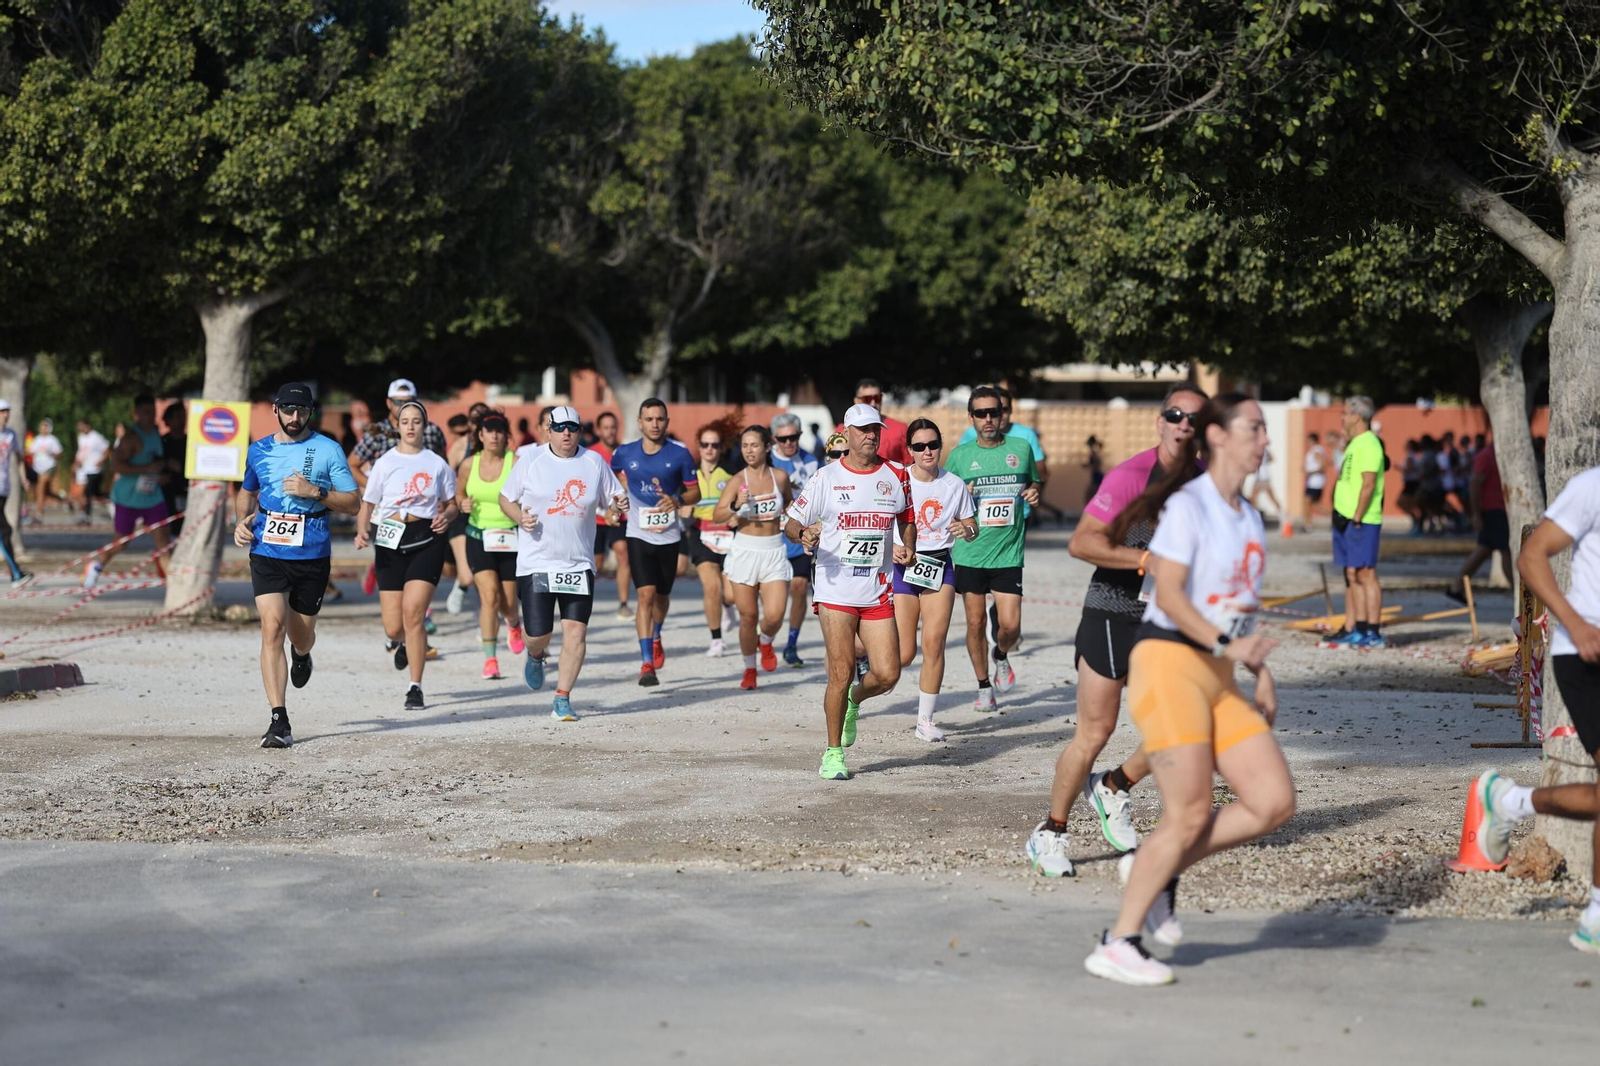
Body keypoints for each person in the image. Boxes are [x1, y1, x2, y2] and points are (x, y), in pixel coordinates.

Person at [1084, 393, 1290, 986]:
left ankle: (1158, 867)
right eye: (1254, 428)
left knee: (1274, 801)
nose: (1264, 440)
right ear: (1218, 436)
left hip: (1219, 671)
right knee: (1191, 809)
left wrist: (1261, 670)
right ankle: (1118, 942)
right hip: (1169, 664)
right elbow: (1169, 593)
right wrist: (1229, 648)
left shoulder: (1248, 515)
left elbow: (1236, 606)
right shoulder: (1190, 507)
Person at [1027, 385, 1208, 877]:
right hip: (1113, 610)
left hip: (1166, 619)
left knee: (1183, 726)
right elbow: (1081, 541)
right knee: (1095, 731)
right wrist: (1145, 559)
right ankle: (1051, 832)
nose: (1183, 424)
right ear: (1160, 421)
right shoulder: (1132, 475)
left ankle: (1113, 787)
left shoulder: (1205, 482)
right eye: (1175, 415)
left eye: (1194, 417)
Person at [1471, 464, 1600, 953]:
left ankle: (1508, 802)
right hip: (1585, 651)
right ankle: (1596, 920)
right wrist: (1575, 623)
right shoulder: (1592, 487)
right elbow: (1531, 555)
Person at [786, 404, 914, 780]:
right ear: (847, 434)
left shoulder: (896, 475)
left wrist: (908, 546)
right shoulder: (827, 477)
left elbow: (907, 518)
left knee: (889, 673)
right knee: (840, 671)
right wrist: (804, 534)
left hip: (876, 589)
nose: (871, 435)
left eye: (875, 429)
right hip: (835, 588)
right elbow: (792, 523)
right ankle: (833, 753)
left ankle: (856, 701)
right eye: (862, 430)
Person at [232, 383, 361, 748]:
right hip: (267, 549)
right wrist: (240, 522)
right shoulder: (259, 450)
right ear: (276, 410)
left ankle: (302, 653)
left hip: (312, 552)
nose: (295, 417)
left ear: (310, 412)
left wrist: (314, 492)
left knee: (298, 634)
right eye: (288, 410)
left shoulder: (327, 449)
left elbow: (353, 503)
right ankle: (279, 721)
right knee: (272, 628)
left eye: (302, 411)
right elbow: (247, 491)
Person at [499, 405, 627, 720]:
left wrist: (615, 510)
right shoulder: (530, 459)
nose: (566, 433)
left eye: (572, 427)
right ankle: (535, 653)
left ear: (580, 431)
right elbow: (505, 498)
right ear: (549, 430)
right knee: (538, 633)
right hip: (537, 563)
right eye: (560, 427)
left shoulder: (594, 461)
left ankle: (562, 697)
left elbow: (611, 506)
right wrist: (519, 517)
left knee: (576, 634)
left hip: (578, 564)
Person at [353, 400, 458, 710]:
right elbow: (368, 504)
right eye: (406, 421)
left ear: (424, 427)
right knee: (393, 626)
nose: (411, 426)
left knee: (414, 614)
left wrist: (447, 517)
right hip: (388, 542)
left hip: (427, 539)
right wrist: (362, 531)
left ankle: (415, 686)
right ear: (396, 426)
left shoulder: (437, 463)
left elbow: (452, 502)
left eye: (417, 421)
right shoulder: (384, 462)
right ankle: (398, 644)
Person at [945, 385, 1042, 709]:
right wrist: (962, 498)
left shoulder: (1021, 448)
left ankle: (1001, 653)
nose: (988, 419)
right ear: (971, 417)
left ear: (1003, 414)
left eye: (994, 412)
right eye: (981, 413)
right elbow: (944, 503)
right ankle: (983, 685)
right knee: (975, 623)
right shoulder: (960, 457)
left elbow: (1033, 482)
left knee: (1010, 627)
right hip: (971, 551)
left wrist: (1033, 493)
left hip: (1008, 551)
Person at [893, 418, 977, 741]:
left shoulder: (953, 484)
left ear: (941, 445)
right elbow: (882, 521)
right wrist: (893, 550)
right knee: (903, 654)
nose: (928, 452)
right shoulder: (898, 481)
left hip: (940, 565)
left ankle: (924, 721)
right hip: (905, 567)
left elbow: (972, 527)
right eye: (919, 446)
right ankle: (861, 670)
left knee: (934, 643)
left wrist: (965, 530)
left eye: (933, 445)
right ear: (910, 450)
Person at [611, 398, 701, 686]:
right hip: (638, 534)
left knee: (662, 597)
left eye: (659, 419)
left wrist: (676, 500)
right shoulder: (624, 453)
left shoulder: (680, 455)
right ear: (639, 423)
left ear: (666, 422)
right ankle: (646, 662)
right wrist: (617, 500)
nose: (654, 424)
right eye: (649, 419)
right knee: (645, 596)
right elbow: (612, 480)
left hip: (669, 536)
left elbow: (695, 493)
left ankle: (657, 633)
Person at [349, 379, 448, 640]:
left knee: (416, 586)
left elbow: (440, 468)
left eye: (408, 400)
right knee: (393, 577)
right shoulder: (376, 432)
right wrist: (374, 489)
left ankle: (418, 617)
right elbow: (353, 465)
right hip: (385, 516)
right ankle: (400, 630)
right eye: (397, 402)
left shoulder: (433, 432)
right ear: (388, 403)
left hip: (421, 516)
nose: (402, 405)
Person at [714, 426, 795, 689]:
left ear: (767, 447)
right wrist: (736, 505)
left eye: (754, 445)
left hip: (773, 549)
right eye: (745, 446)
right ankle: (750, 668)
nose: (749, 451)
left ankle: (767, 641)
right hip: (745, 550)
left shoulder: (780, 477)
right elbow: (718, 515)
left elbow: (790, 505)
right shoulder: (738, 480)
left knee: (775, 615)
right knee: (748, 617)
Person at [454, 411, 525, 679]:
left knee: (507, 602)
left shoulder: (516, 463)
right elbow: (459, 492)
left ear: (506, 435)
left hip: (509, 538)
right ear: (480, 435)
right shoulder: (469, 464)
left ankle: (514, 623)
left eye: (499, 430)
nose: (494, 435)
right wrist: (462, 503)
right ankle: (490, 659)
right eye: (489, 430)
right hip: (478, 536)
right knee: (489, 597)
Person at [83, 394, 173, 590]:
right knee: (122, 542)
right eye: (145, 413)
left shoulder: (156, 433)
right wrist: (146, 468)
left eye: (152, 413)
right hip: (128, 498)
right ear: (135, 414)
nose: (150, 417)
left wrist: (161, 471)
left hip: (152, 496)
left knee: (163, 542)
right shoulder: (131, 438)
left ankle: (173, 588)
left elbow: (155, 461)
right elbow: (116, 466)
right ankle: (96, 566)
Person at [1322, 396, 1387, 649]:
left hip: (1362, 520)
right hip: (1344, 517)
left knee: (1366, 573)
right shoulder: (1354, 444)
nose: (1342, 418)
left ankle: (1373, 631)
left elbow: (1368, 483)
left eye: (1345, 413)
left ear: (1357, 416)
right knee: (1352, 574)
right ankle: (1357, 627)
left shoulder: (1369, 444)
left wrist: (1358, 516)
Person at [770, 413, 819, 667]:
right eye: (784, 438)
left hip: (798, 535)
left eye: (794, 437)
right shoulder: (766, 460)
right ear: (774, 439)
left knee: (799, 588)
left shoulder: (810, 461)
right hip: (770, 538)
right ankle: (765, 636)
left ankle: (791, 643)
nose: (789, 442)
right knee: (771, 598)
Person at [686, 423, 736, 656]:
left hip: (727, 534)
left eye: (714, 445)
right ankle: (716, 640)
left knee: (730, 594)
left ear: (721, 448)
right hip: (700, 533)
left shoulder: (730, 474)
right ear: (699, 446)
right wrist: (682, 510)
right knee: (711, 587)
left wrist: (736, 515)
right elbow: (680, 504)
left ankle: (727, 607)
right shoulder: (690, 474)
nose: (709, 449)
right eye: (704, 444)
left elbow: (740, 504)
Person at [1447, 438, 1514, 602]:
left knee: (1484, 549)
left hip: (1500, 509)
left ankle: (1457, 586)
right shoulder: (1487, 456)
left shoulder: (1503, 455)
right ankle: (1518, 591)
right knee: (1505, 550)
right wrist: (1476, 514)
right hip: (1493, 510)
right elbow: (1474, 485)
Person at [441, 405, 489, 615]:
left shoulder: (500, 449)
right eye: (474, 419)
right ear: (469, 422)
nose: (477, 423)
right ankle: (461, 587)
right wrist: (452, 504)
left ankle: (486, 620)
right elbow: (445, 480)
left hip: (488, 517)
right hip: (461, 515)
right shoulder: (461, 446)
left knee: (486, 575)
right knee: (466, 574)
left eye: (483, 418)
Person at [587, 411, 634, 620]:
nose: (610, 431)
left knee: (623, 553)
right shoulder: (589, 454)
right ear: (598, 430)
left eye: (613, 427)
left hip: (618, 517)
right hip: (595, 518)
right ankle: (582, 603)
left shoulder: (625, 454)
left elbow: (630, 482)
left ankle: (623, 604)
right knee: (594, 562)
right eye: (605, 428)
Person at [834, 378, 910, 465]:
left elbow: (909, 465)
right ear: (856, 401)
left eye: (877, 398)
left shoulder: (900, 428)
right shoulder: (841, 431)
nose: (873, 403)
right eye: (867, 399)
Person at [0, 399, 30, 585]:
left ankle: (16, 573)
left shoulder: (11, 435)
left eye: (7, 411)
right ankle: (16, 574)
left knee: (4, 531)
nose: (6, 414)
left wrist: (23, 477)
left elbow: (19, 458)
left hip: (4, 488)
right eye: (2, 411)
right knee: (4, 531)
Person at [73, 419, 110, 525]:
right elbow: (81, 451)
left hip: (94, 469)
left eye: (82, 426)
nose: (81, 429)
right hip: (83, 468)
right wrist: (76, 462)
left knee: (89, 492)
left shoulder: (96, 437)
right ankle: (84, 514)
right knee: (81, 493)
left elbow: (107, 450)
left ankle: (88, 514)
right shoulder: (80, 437)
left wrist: (101, 461)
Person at [159, 402, 188, 538]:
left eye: (183, 417)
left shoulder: (191, 442)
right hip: (166, 494)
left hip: (187, 492)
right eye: (177, 417)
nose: (181, 421)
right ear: (168, 420)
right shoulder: (162, 442)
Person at [26, 418, 63, 522]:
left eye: (45, 426)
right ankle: (63, 500)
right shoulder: (37, 439)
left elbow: (60, 453)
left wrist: (52, 452)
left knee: (41, 487)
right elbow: (31, 451)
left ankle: (39, 514)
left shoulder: (52, 440)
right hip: (37, 468)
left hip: (48, 467)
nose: (43, 428)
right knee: (43, 492)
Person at [1301, 432, 1328, 533]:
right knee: (1315, 504)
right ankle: (1333, 516)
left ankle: (1307, 525)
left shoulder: (1316, 450)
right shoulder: (1315, 450)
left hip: (1315, 482)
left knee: (1306, 503)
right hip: (1312, 482)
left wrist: (1310, 472)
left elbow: (1323, 465)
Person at [1250, 443, 1281, 523]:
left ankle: (1283, 516)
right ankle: (1256, 516)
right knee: (1253, 498)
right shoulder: (1264, 449)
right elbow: (1271, 458)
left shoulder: (1259, 449)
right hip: (1261, 475)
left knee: (1254, 498)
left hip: (1262, 476)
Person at [1084, 436, 1105, 506]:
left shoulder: (1093, 453)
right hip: (1097, 475)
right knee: (1093, 494)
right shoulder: (1096, 452)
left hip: (1096, 475)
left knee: (1090, 495)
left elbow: (1091, 463)